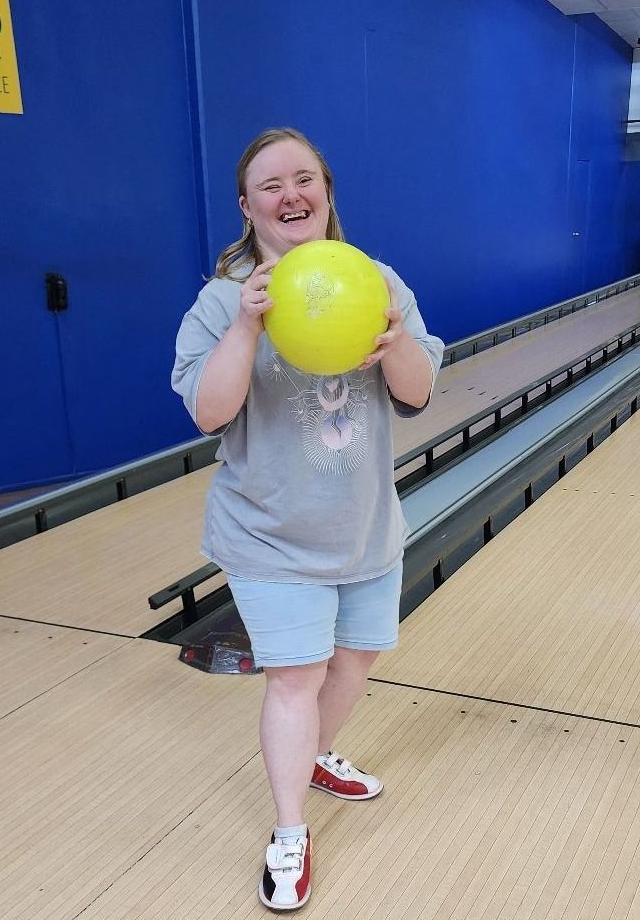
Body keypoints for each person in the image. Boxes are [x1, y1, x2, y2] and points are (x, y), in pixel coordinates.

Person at [172, 127, 444, 911]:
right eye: (270, 185)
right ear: (246, 206)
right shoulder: (223, 299)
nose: (290, 195)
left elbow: (420, 389)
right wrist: (247, 326)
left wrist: (393, 345)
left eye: (304, 178)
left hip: (363, 527)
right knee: (295, 676)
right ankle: (290, 830)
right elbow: (207, 410)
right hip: (268, 531)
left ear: (326, 189)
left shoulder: (377, 280)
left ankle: (316, 755)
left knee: (354, 662)